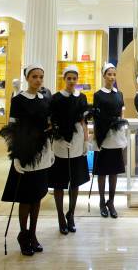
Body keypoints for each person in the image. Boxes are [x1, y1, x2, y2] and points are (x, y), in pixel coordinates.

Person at [0, 65, 54, 256]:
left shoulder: (45, 99)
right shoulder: (18, 100)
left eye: (41, 77)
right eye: (34, 77)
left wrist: (50, 148)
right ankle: (23, 235)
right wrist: (15, 155)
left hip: (42, 151)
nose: (38, 80)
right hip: (25, 151)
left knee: (38, 195)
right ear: (27, 78)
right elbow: (12, 129)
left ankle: (33, 234)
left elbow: (48, 125)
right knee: (26, 197)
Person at [49, 65, 90, 235]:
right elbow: (51, 121)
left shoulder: (82, 97)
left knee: (75, 181)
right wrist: (55, 139)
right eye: (69, 78)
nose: (72, 81)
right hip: (60, 141)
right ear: (64, 79)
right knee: (59, 182)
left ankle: (71, 214)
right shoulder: (56, 98)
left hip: (77, 140)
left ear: (77, 80)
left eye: (74, 78)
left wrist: (86, 141)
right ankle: (60, 216)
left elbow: (84, 121)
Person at [92, 63, 127, 219]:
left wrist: (122, 128)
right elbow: (96, 116)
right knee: (102, 171)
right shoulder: (98, 94)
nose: (112, 77)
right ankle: (101, 201)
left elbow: (121, 114)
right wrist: (97, 136)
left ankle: (110, 202)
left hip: (116, 136)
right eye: (109, 74)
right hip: (103, 136)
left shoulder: (119, 94)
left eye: (114, 74)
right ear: (104, 75)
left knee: (114, 171)